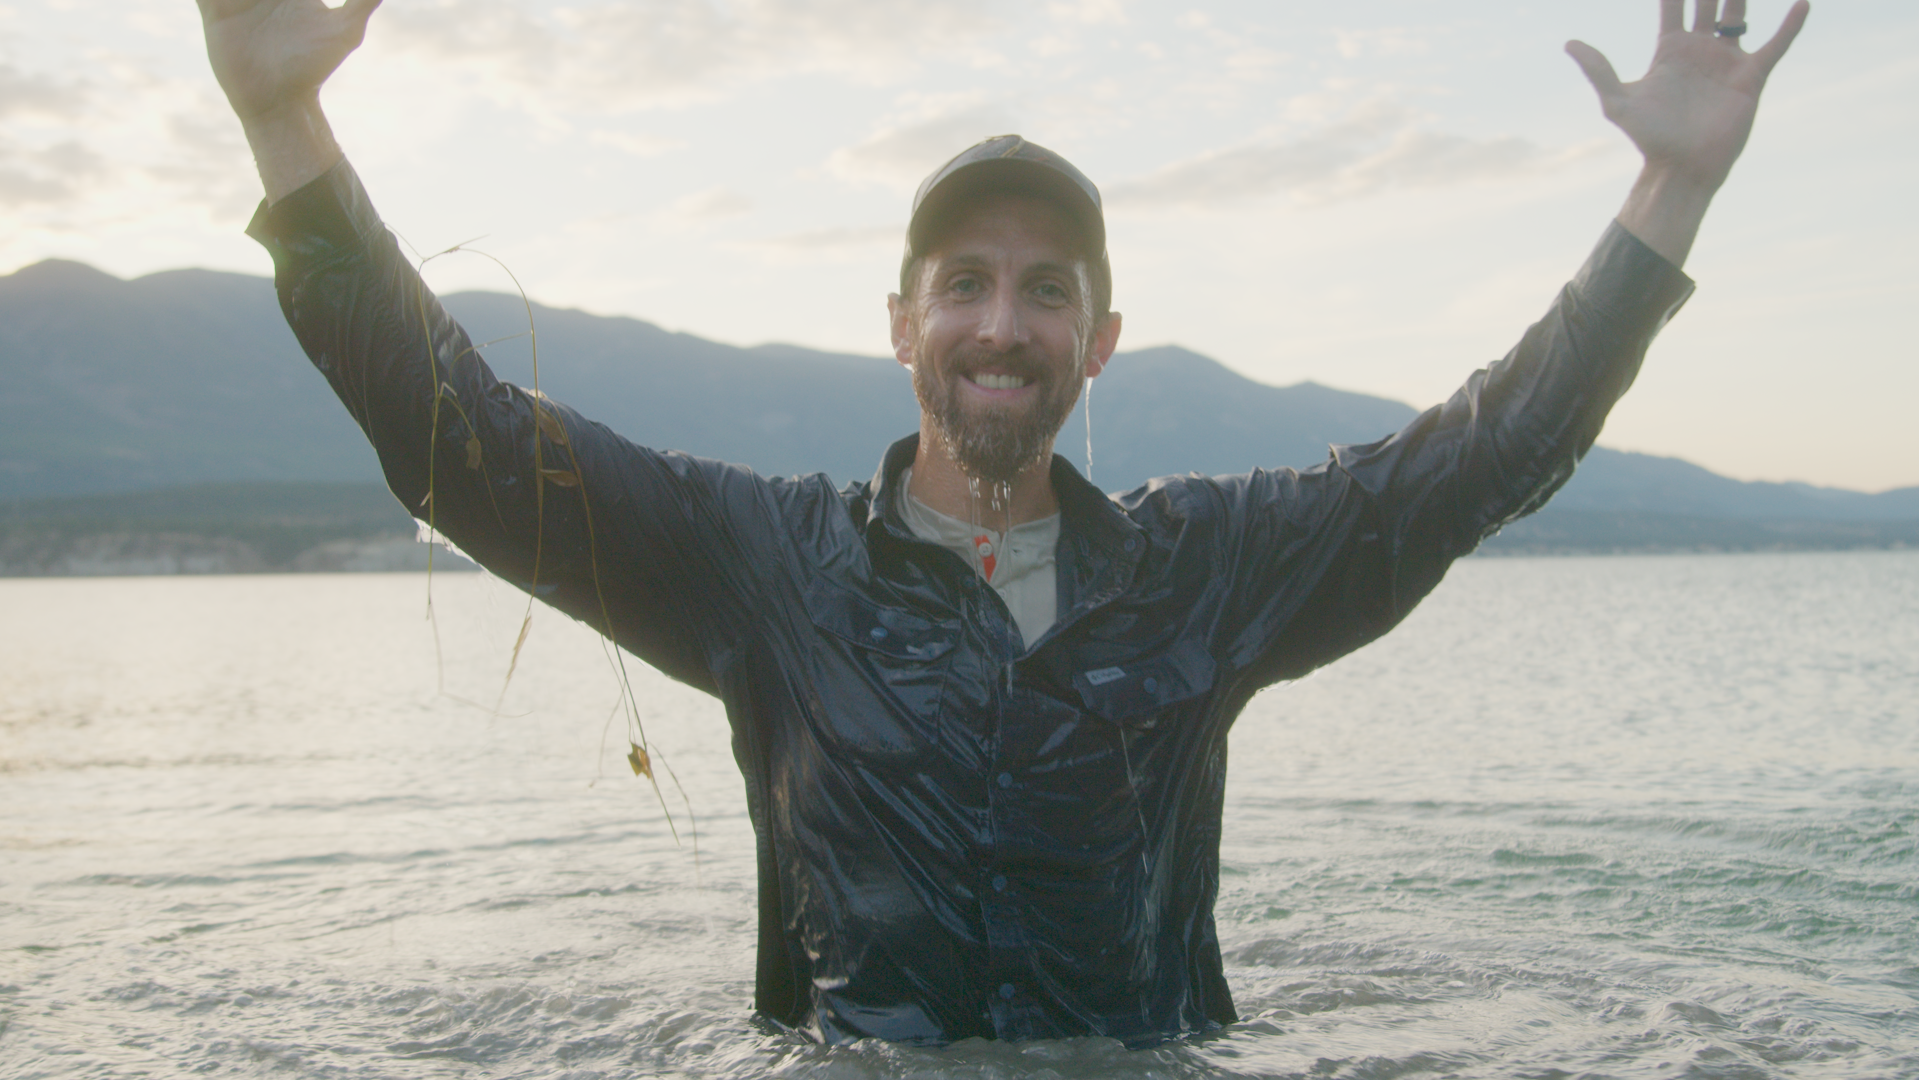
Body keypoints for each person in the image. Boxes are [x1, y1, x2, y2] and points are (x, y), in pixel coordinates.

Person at [196, 0, 1808, 1048]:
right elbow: (461, 448)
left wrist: (1668, 195)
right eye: (963, 283)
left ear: (1098, 341)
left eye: (1046, 291)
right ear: (899, 322)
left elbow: (1477, 460)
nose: (999, 322)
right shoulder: (767, 565)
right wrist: (285, 127)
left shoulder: (1206, 569)